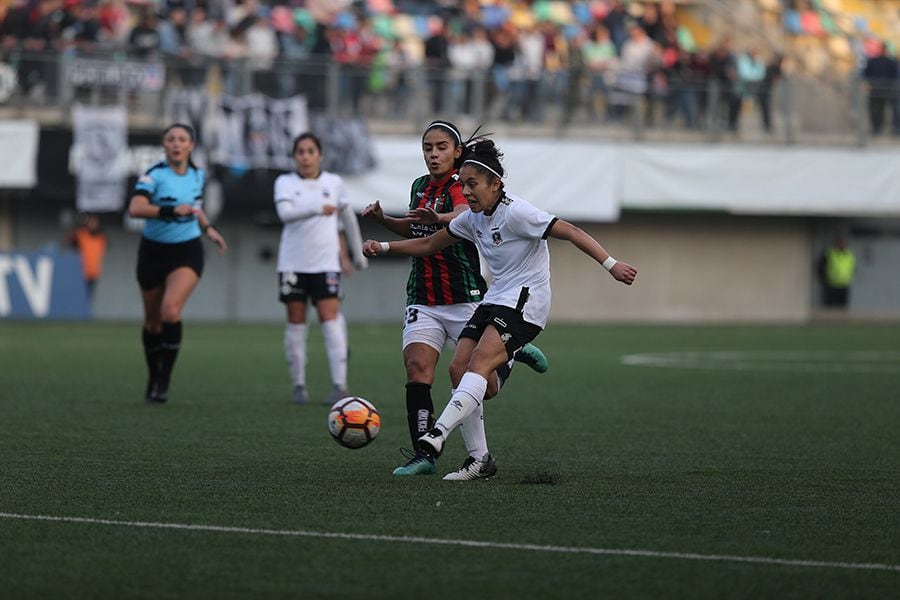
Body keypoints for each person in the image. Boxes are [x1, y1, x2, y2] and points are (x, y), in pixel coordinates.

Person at [363, 136, 637, 475]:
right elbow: (431, 243)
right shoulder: (473, 219)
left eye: (473, 184)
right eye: (463, 184)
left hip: (526, 300)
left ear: (496, 183)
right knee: (460, 372)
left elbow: (571, 231)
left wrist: (611, 264)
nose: (468, 191)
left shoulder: (518, 212)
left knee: (477, 364)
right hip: (495, 298)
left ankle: (437, 434)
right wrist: (386, 248)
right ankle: (481, 460)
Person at [361, 120, 548, 480]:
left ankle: (509, 352)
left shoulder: (464, 185)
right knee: (417, 369)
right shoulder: (419, 186)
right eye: (428, 148)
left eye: (441, 147)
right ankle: (424, 454)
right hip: (423, 295)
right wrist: (384, 221)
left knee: (479, 383)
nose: (433, 154)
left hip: (466, 296)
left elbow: (464, 215)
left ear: (457, 151)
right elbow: (418, 229)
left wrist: (440, 217)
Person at [128, 123, 227, 404]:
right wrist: (169, 210)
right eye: (170, 139)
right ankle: (153, 375)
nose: (176, 143)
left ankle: (164, 380)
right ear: (164, 145)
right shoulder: (153, 176)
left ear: (190, 145)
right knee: (153, 322)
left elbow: (195, 208)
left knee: (171, 311)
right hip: (152, 253)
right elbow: (135, 208)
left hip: (187, 251)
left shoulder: (197, 174)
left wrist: (209, 229)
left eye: (182, 139)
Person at [274, 132, 368, 406]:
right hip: (292, 263)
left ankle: (340, 385)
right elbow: (285, 214)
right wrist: (317, 207)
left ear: (320, 155)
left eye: (310, 151)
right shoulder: (285, 183)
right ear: (294, 156)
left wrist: (357, 251)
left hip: (325, 264)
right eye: (300, 152)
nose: (305, 156)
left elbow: (349, 218)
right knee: (295, 320)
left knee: (330, 318)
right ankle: (299, 385)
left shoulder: (334, 183)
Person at [66, 212, 107, 303]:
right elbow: (69, 240)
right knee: (77, 296)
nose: (93, 224)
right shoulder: (81, 234)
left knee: (88, 298)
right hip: (79, 272)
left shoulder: (101, 238)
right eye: (91, 222)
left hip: (93, 273)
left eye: (95, 222)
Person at [818, 233, 856, 309]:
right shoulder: (829, 254)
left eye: (843, 242)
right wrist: (824, 280)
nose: (842, 244)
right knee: (830, 308)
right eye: (840, 242)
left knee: (842, 308)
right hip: (831, 285)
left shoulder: (849, 255)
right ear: (836, 243)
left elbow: (853, 269)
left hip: (844, 286)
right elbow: (820, 268)